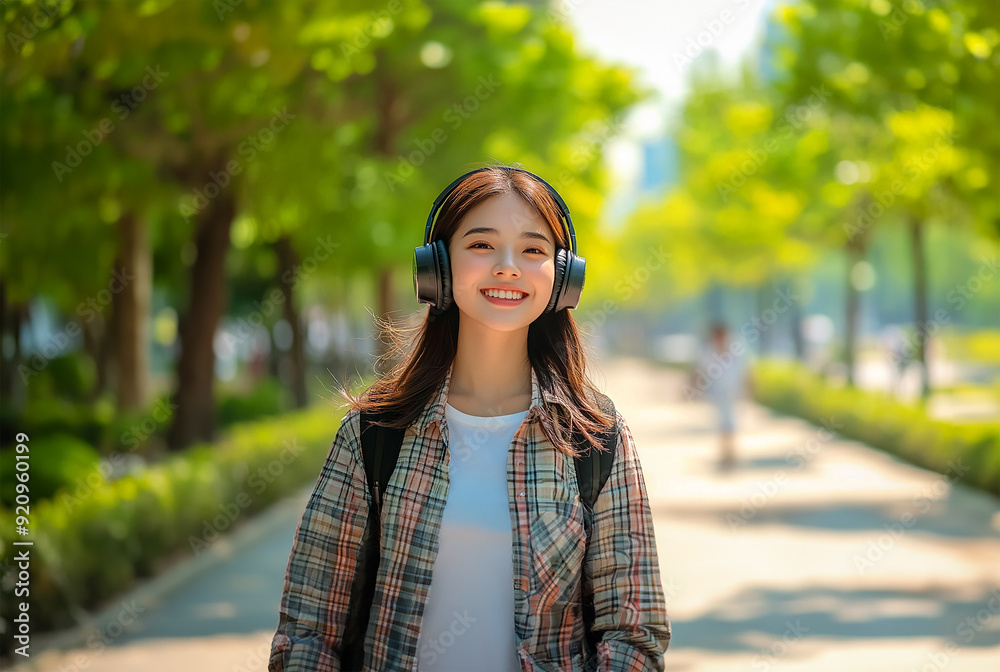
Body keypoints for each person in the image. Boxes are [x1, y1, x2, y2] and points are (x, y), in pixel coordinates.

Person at [268, 165, 671, 671]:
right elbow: (308, 631)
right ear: (437, 268)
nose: (508, 267)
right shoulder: (373, 434)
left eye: (533, 250)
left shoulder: (595, 438)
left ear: (563, 278)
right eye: (482, 245)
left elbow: (634, 633)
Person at [692, 322, 752, 471]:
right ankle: (726, 453)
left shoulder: (736, 350)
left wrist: (748, 389)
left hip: (734, 392)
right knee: (723, 423)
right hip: (717, 393)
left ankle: (730, 453)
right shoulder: (708, 351)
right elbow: (700, 371)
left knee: (731, 423)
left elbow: (745, 370)